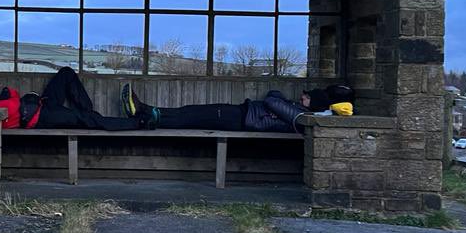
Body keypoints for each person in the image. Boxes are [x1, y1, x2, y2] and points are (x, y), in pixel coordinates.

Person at [0, 67, 149, 131]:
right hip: (42, 117)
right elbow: (11, 109)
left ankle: (85, 110)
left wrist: (13, 96)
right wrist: (11, 96)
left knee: (66, 73)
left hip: (40, 105)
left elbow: (13, 99)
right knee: (90, 121)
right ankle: (137, 122)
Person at [119, 82, 354, 134]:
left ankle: (144, 114)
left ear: (315, 103)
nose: (302, 97)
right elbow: (273, 96)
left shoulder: (301, 116)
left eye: (307, 97)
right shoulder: (298, 111)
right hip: (241, 113)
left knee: (189, 116)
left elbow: (272, 99)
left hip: (240, 119)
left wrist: (282, 102)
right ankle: (144, 111)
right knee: (189, 111)